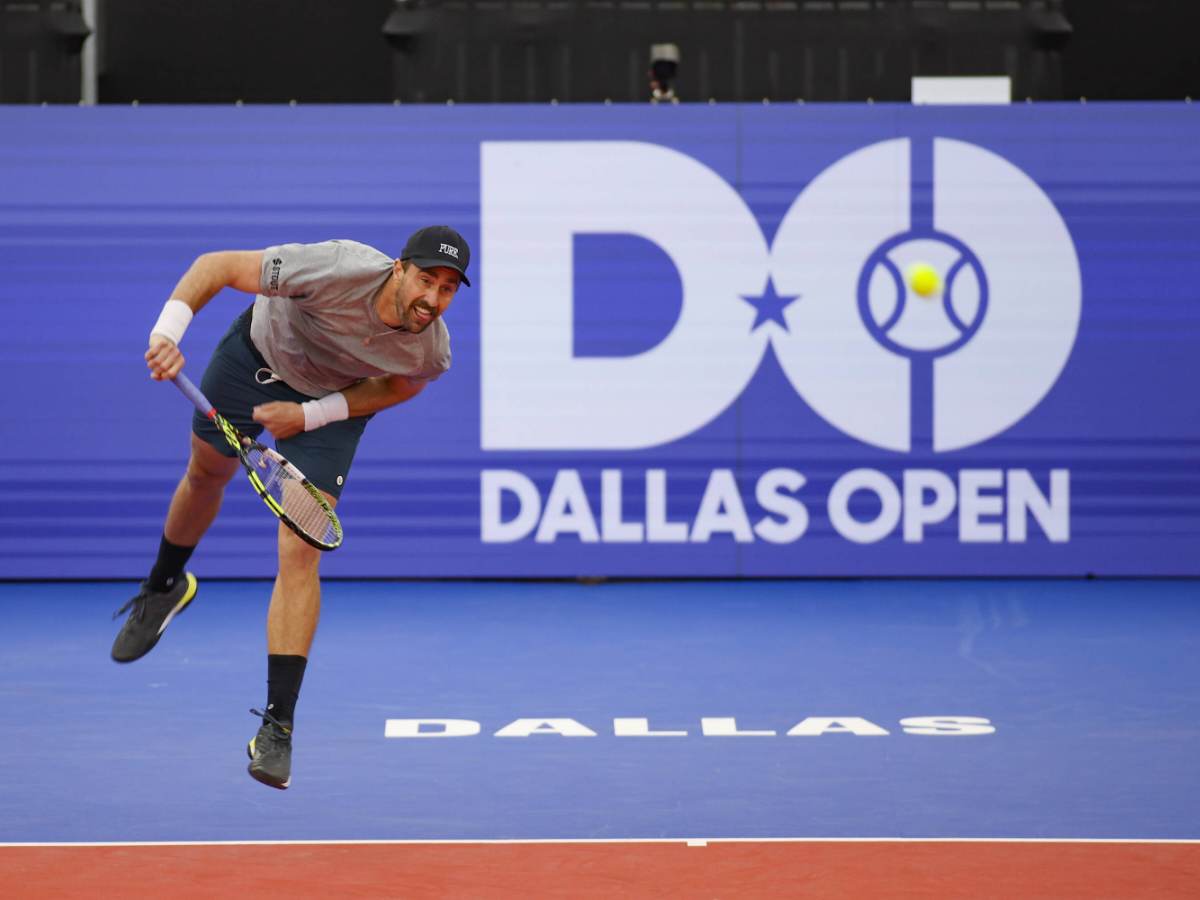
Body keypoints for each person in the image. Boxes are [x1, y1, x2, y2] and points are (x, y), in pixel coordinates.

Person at [110, 226, 471, 790]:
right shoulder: (336, 268)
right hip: (254, 358)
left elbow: (403, 387)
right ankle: (164, 586)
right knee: (206, 475)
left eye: (449, 288)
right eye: (427, 279)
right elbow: (217, 264)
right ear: (399, 269)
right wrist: (167, 332)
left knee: (301, 545)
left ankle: (277, 727)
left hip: (331, 403)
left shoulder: (431, 347)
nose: (434, 298)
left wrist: (312, 416)